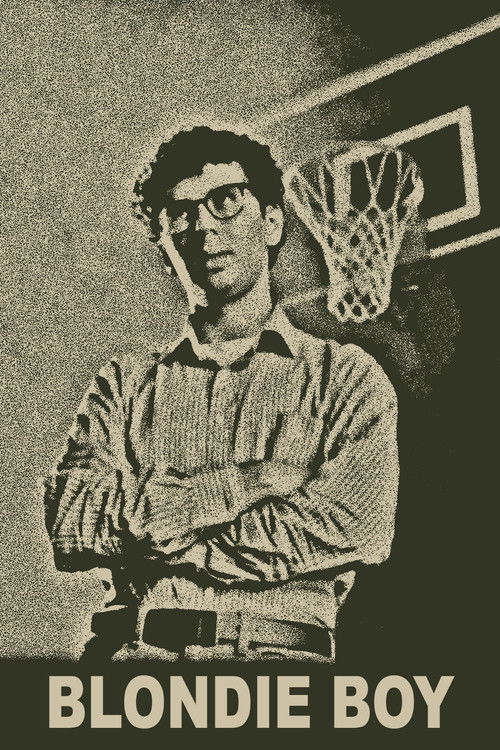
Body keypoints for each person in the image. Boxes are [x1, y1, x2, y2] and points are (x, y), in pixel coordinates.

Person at [43, 126, 399, 662]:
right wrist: (242, 485)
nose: (204, 226)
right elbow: (73, 521)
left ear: (272, 221)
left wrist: (159, 542)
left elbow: (354, 525)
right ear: (166, 241)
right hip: (140, 663)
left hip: (281, 670)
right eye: (180, 213)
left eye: (226, 200)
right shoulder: (124, 384)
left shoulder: (346, 377)